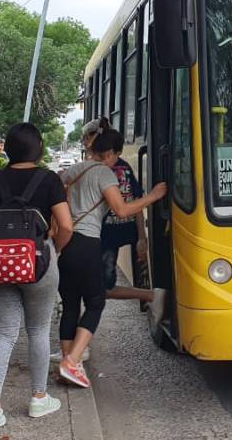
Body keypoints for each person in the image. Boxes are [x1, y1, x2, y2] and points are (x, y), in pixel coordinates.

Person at [0, 122, 73, 431]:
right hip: (39, 262)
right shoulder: (49, 180)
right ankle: (38, 397)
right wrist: (53, 248)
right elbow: (67, 226)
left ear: (8, 149)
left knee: (3, 332)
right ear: (40, 148)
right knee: (39, 329)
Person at [57, 119, 166, 388]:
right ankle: (72, 362)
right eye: (116, 155)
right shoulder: (105, 173)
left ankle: (68, 362)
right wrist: (152, 196)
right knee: (95, 302)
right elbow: (121, 210)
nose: (116, 160)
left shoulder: (70, 172)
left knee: (71, 305)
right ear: (109, 153)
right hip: (88, 243)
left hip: (65, 244)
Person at [101, 134, 152, 303]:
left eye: (110, 155)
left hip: (109, 232)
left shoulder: (123, 169)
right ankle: (149, 296)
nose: (106, 159)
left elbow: (136, 202)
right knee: (105, 283)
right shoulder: (105, 169)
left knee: (105, 283)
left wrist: (142, 238)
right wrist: (140, 237)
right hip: (109, 232)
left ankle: (150, 297)